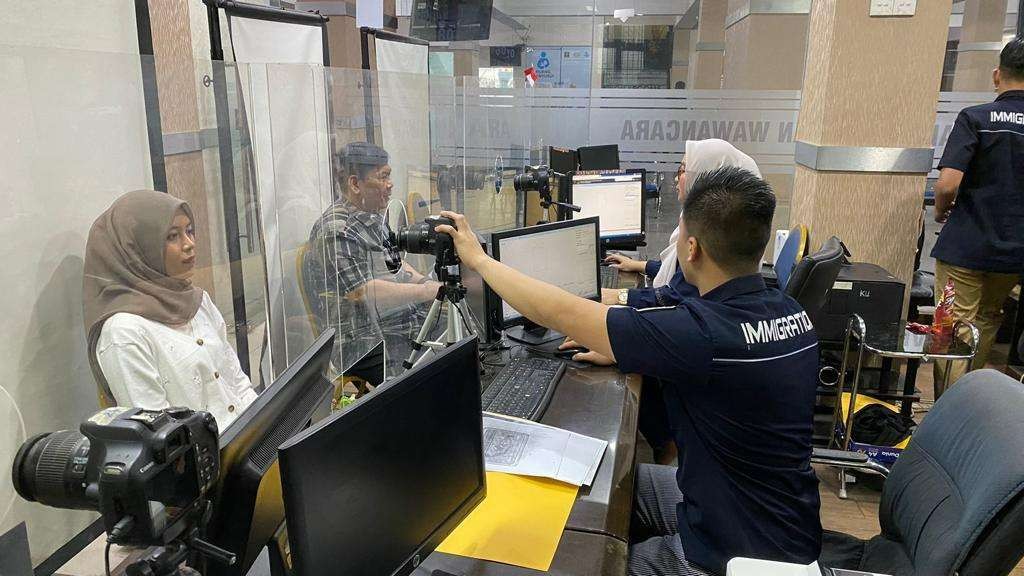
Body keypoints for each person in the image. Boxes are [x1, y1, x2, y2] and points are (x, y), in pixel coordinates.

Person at [436, 166, 822, 575]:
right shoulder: (789, 311)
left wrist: (478, 259)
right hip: (774, 516)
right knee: (614, 483)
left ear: (691, 249)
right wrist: (632, 348)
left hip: (738, 555)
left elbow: (556, 310)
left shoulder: (702, 335)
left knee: (589, 566)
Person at [83, 190, 257, 429]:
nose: (189, 244)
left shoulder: (198, 301)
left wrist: (266, 430)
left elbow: (238, 383)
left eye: (190, 231)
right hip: (205, 460)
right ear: (138, 248)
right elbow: (161, 436)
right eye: (173, 236)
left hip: (246, 442)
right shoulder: (124, 333)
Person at [931, 37, 1024, 395]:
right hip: (1013, 252)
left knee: (953, 325)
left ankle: (949, 412)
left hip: (966, 246)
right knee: (986, 321)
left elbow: (948, 185)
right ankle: (970, 401)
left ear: (997, 75)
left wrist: (941, 212)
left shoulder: (976, 118)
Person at [307, 142, 441, 376]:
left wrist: (426, 284)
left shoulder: (371, 217)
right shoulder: (337, 229)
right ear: (355, 184)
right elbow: (361, 292)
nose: (390, 185)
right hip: (366, 342)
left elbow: (394, 265)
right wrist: (428, 292)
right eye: (383, 177)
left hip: (399, 325)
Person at [603, 139, 761, 309]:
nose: (676, 178)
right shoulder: (700, 220)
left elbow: (673, 297)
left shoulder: (711, 234)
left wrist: (616, 295)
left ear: (706, 176)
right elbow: (678, 275)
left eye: (683, 170)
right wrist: (640, 265)